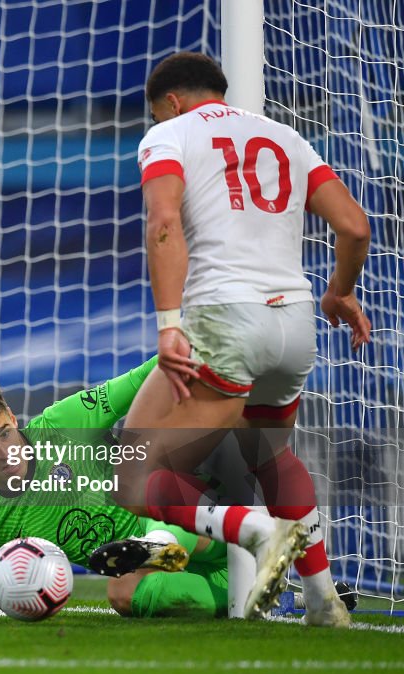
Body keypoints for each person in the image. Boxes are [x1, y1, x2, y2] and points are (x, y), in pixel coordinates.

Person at [117, 52, 371, 625]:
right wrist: (340, 293)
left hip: (226, 317)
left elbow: (163, 222)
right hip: (296, 321)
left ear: (172, 103)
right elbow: (355, 226)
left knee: (135, 472)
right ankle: (323, 601)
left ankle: (257, 532)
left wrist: (168, 325)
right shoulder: (285, 137)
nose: (158, 122)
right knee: (272, 456)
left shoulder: (171, 135)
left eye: (158, 114)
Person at [0, 358, 232, 619]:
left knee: (158, 481)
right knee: (122, 594)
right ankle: (237, 599)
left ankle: (155, 542)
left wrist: (200, 348)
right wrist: (9, 596)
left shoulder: (64, 422)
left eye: (4, 434)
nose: (4, 452)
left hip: (214, 527)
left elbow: (145, 375)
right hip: (185, 572)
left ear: (12, 418)